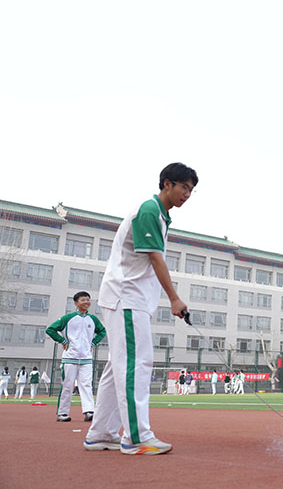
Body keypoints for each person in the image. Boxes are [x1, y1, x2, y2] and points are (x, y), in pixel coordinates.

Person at [84, 162, 197, 455]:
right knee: (136, 363)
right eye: (184, 187)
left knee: (117, 367)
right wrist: (174, 298)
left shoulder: (161, 216)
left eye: (191, 190)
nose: (187, 194)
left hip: (130, 299)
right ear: (167, 183)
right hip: (126, 297)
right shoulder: (149, 210)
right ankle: (137, 437)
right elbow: (156, 259)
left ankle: (100, 433)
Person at [46, 291, 106, 422]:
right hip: (70, 358)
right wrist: (62, 341)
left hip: (86, 358)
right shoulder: (68, 318)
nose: (86, 302)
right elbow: (50, 329)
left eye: (88, 300)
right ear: (76, 303)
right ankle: (62, 413)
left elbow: (102, 331)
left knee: (86, 385)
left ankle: (89, 411)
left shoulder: (93, 319)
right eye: (83, 300)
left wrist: (93, 343)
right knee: (67, 386)